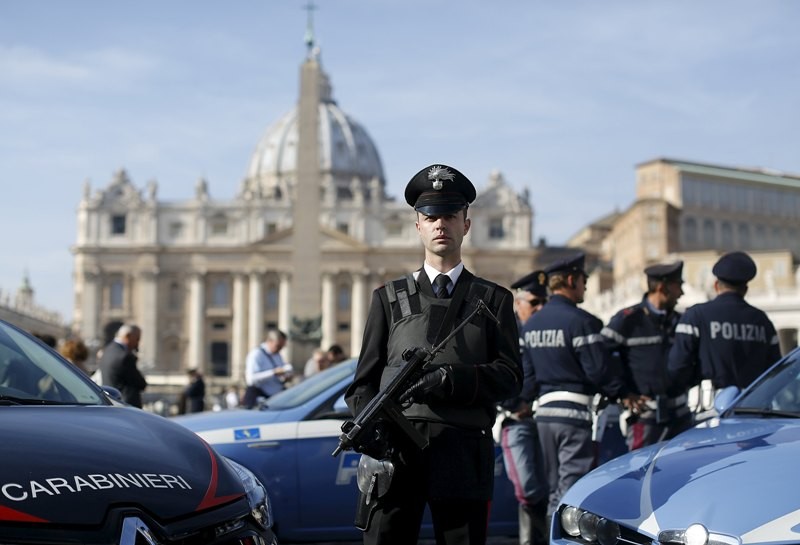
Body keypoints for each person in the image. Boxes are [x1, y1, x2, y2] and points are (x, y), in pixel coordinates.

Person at [345, 163, 522, 545]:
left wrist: (450, 379)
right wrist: (375, 436)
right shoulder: (388, 299)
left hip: (462, 448)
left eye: (450, 215)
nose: (441, 224)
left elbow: (510, 376)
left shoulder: (493, 300)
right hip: (396, 452)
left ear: (466, 225)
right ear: (418, 226)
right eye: (431, 216)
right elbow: (362, 384)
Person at [520, 253, 638, 518]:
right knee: (572, 490)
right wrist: (622, 393)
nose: (585, 285)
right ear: (571, 280)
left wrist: (523, 402)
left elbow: (528, 379)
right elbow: (598, 370)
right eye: (584, 280)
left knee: (554, 486)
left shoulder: (531, 326)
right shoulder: (581, 322)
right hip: (574, 416)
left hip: (544, 417)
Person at [668, 251, 782, 401]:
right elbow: (775, 371)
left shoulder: (696, 316)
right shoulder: (762, 321)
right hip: (753, 406)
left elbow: (677, 367)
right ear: (745, 289)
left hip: (710, 406)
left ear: (716, 285)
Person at [602, 261, 691, 450]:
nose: (681, 293)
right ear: (662, 287)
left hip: (681, 417)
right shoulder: (628, 320)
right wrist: (622, 392)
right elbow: (600, 357)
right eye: (678, 286)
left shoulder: (680, 321)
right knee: (641, 473)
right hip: (646, 418)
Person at [499, 270, 549, 545]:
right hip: (516, 419)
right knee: (528, 488)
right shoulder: (503, 332)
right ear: (518, 304)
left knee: (550, 487)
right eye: (534, 303)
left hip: (547, 418)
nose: (540, 308)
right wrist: (514, 404)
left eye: (544, 302)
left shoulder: (547, 329)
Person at [98, 323, 147, 408]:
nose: (137, 343)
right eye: (137, 339)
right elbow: (141, 383)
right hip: (126, 406)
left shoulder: (107, 351)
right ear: (128, 336)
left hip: (110, 402)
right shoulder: (125, 356)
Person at [243, 328, 293, 408]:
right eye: (278, 346)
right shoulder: (256, 354)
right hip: (258, 399)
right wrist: (273, 372)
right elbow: (251, 379)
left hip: (274, 397)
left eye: (282, 347)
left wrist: (286, 377)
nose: (280, 349)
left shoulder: (277, 355)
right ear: (269, 341)